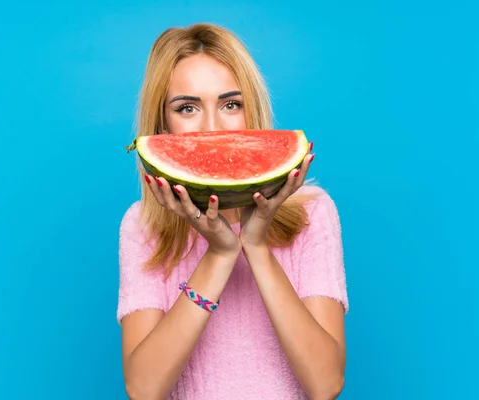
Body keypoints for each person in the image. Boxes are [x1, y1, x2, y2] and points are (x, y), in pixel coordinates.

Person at [117, 23, 349, 400]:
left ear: (251, 112)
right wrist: (221, 253)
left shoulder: (313, 213)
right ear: (162, 125)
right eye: (187, 108)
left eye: (230, 104)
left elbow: (325, 384)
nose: (212, 127)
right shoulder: (143, 226)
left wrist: (255, 244)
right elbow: (144, 389)